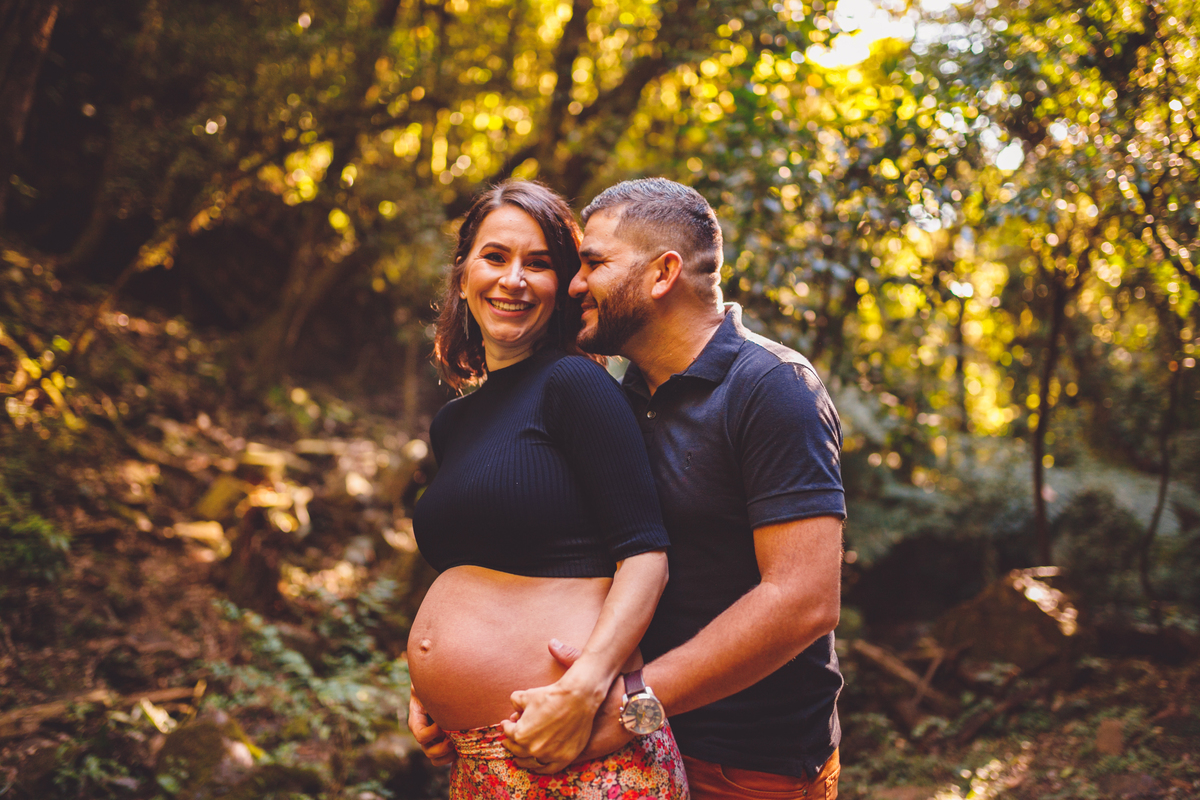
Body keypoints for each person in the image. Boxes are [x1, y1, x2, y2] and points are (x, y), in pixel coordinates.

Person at [411, 177, 846, 800]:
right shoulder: (626, 394)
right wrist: (438, 683)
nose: (575, 284)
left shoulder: (770, 386)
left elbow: (804, 600)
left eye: (592, 264)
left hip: (743, 759)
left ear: (662, 273)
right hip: (602, 732)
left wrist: (626, 702)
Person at [405, 180, 688, 799]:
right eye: (496, 257)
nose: (514, 280)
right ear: (463, 275)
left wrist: (587, 683)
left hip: (578, 747)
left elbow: (645, 557)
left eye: (539, 264)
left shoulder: (574, 386)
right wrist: (424, 687)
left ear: (563, 287)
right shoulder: (454, 422)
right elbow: (480, 570)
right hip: (477, 758)